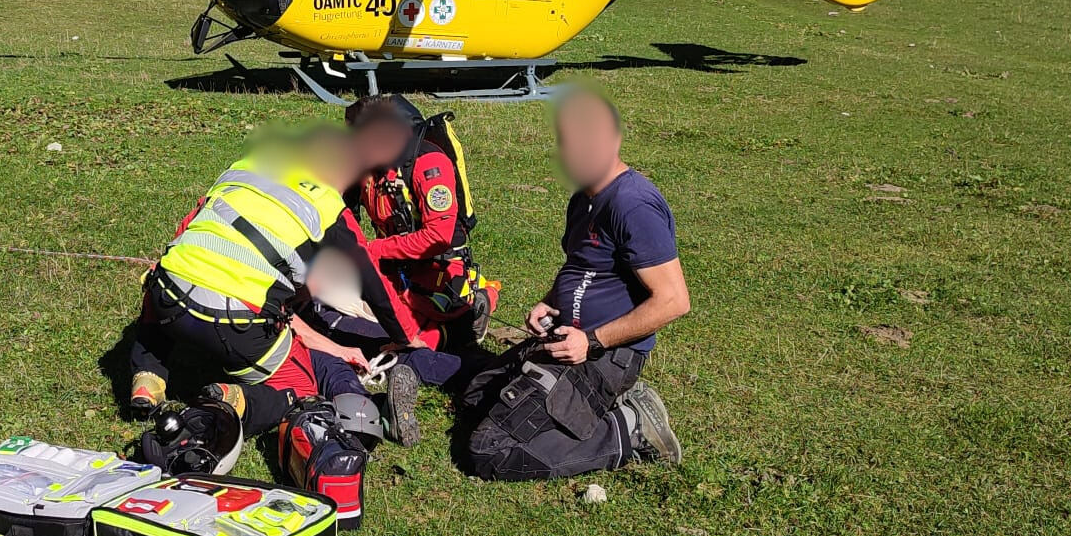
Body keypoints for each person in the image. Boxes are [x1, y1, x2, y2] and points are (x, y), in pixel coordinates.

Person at [125, 127, 408, 451]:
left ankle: (147, 379)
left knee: (158, 303)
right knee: (299, 384)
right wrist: (404, 336)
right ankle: (235, 401)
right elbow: (370, 280)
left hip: (169, 288)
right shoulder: (327, 205)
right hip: (233, 318)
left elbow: (193, 217)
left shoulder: (251, 166)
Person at [460, 89, 688, 481]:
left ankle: (630, 429)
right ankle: (589, 407)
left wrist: (593, 341)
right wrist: (550, 302)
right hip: (567, 338)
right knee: (475, 396)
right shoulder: (583, 197)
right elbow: (581, 266)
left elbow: (672, 301)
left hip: (605, 354)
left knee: (489, 450)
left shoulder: (633, 204)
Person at [331, 96, 496, 447]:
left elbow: (438, 236)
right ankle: (425, 345)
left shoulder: (429, 164)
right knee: (346, 307)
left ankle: (471, 310)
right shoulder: (369, 168)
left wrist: (371, 252)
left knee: (407, 328)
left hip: (437, 272)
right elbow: (340, 211)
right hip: (391, 267)